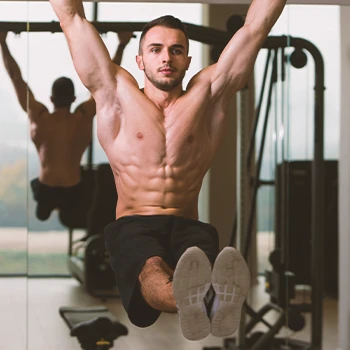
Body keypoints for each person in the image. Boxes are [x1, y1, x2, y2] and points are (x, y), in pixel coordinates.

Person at [49, 0, 286, 341]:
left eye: (177, 50)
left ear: (188, 60)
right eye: (156, 49)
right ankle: (203, 303)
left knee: (198, 270)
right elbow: (72, 18)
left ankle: (206, 300)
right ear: (140, 59)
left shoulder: (208, 96)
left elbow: (255, 28)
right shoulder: (115, 95)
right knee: (152, 268)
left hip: (189, 224)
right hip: (134, 225)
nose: (166, 57)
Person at [0, 31, 134, 223]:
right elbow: (107, 81)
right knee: (73, 215)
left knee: (42, 215)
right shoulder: (83, 117)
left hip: (46, 187)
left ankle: (49, 209)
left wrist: (2, 43)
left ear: (51, 99)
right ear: (73, 99)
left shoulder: (39, 117)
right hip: (74, 187)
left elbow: (15, 77)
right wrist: (122, 44)